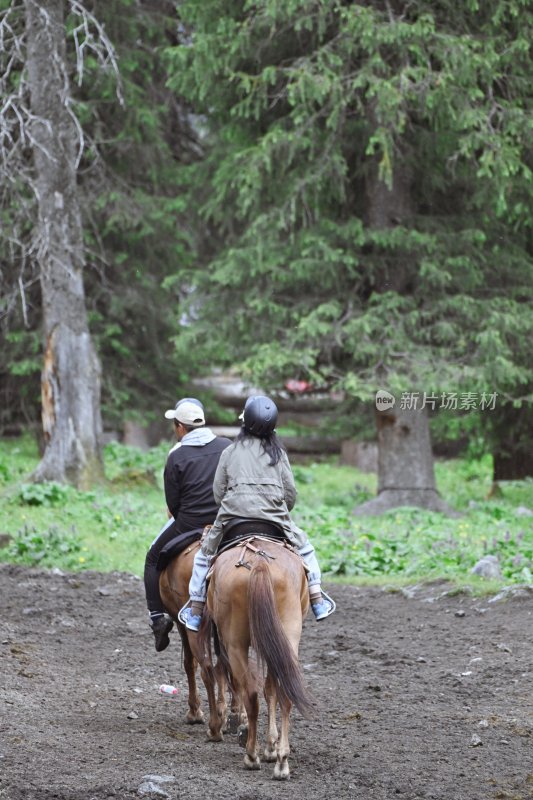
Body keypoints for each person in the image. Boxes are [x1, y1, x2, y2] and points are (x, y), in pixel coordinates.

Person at [179, 395, 336, 632]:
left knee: (203, 557)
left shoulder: (230, 452)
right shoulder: (279, 455)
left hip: (233, 520)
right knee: (306, 550)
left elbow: (218, 493)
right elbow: (290, 495)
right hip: (274, 521)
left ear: (245, 422)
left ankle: (196, 608)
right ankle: (317, 597)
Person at [144, 397, 232, 652]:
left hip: (187, 524)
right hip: (223, 523)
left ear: (180, 427)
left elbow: (173, 504)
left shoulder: (177, 455)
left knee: (152, 557)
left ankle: (157, 618)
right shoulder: (226, 445)